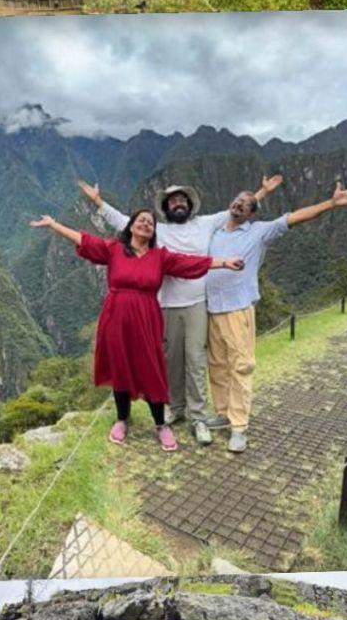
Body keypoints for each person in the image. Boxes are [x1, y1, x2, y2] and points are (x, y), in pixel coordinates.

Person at [80, 176, 281, 445]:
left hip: (197, 302)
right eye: (172, 200)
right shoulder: (157, 231)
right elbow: (122, 222)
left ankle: (198, 416)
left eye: (181, 200)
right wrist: (97, 201)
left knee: (196, 360)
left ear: (189, 204)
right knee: (170, 360)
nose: (177, 203)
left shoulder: (206, 223)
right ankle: (176, 409)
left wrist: (263, 192)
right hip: (165, 305)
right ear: (166, 206)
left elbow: (237, 209)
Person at [31, 210, 244, 450]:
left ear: (153, 232)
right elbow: (85, 240)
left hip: (146, 317)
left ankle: (161, 424)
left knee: (151, 366)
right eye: (141, 220)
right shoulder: (114, 250)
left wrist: (224, 262)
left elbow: (190, 263)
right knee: (120, 366)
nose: (145, 224)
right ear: (131, 226)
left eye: (150, 223)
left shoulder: (159, 257)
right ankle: (122, 419)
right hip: (116, 317)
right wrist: (54, 224)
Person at [205, 182, 347, 452]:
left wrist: (331, 203)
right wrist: (261, 191)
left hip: (238, 309)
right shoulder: (215, 232)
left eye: (245, 203)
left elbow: (295, 217)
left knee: (241, 365)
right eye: (237, 199)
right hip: (212, 309)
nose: (239, 204)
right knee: (217, 365)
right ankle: (223, 413)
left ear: (251, 213)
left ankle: (239, 426)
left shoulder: (259, 232)